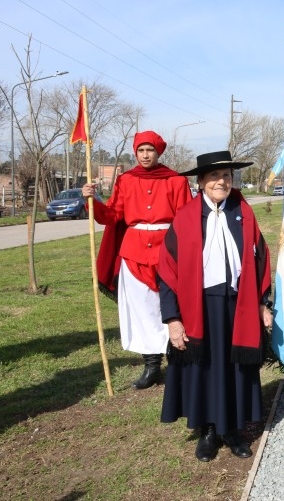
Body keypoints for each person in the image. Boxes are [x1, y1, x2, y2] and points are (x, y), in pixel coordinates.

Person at [158, 151, 274, 462]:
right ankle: (209, 431)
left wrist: (262, 303)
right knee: (205, 369)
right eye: (214, 176)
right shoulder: (185, 217)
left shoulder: (243, 212)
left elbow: (261, 258)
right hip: (199, 306)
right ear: (200, 182)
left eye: (226, 176)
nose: (221, 182)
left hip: (238, 304)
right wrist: (173, 319)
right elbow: (167, 271)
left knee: (235, 369)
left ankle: (232, 429)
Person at [82, 130, 192, 389]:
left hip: (168, 250)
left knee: (172, 305)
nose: (145, 155)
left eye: (149, 150)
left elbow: (186, 217)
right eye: (140, 150)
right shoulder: (126, 180)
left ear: (158, 152)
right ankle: (151, 365)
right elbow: (112, 215)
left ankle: (176, 361)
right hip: (134, 254)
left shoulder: (176, 180)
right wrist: (91, 200)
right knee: (141, 309)